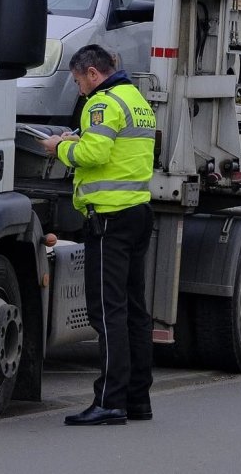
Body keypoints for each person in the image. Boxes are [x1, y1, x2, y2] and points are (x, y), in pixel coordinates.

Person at [41, 44, 156, 426]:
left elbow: (95, 154)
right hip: (137, 211)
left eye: (78, 81)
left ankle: (109, 402)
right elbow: (114, 147)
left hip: (109, 219)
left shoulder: (101, 103)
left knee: (107, 313)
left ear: (93, 73)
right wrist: (78, 140)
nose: (78, 90)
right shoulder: (135, 98)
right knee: (135, 312)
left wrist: (60, 147)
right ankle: (138, 400)